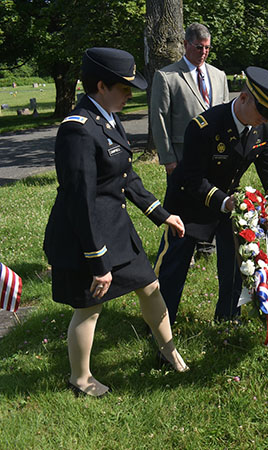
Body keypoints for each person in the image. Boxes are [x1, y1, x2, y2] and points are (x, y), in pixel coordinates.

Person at [43, 48, 189, 398]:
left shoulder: (108, 115)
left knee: (150, 286)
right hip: (86, 235)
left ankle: (168, 348)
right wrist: (98, 261)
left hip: (117, 226)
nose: (130, 93)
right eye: (124, 88)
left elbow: (126, 175)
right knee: (89, 309)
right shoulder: (77, 131)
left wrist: (161, 213)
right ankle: (80, 378)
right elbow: (81, 201)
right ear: (100, 86)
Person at [154, 67, 268, 325]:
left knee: (235, 264)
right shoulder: (204, 127)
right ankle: (159, 323)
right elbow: (191, 178)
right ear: (243, 98)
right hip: (189, 203)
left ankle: (228, 320)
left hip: (229, 205)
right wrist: (224, 201)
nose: (265, 120)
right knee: (174, 268)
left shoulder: (261, 127)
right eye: (261, 112)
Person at [151, 22, 229, 258]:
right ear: (185, 45)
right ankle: (180, 247)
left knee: (211, 197)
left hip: (214, 153)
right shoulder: (167, 76)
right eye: (198, 47)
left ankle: (207, 244)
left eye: (207, 48)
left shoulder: (219, 75)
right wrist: (167, 159)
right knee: (182, 202)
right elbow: (159, 119)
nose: (203, 52)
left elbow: (225, 113)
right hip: (181, 154)